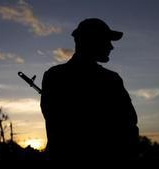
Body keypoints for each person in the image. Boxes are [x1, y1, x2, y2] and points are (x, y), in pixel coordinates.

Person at [40, 18, 139, 161]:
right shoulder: (111, 80)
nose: (111, 47)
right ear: (92, 41)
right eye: (107, 40)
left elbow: (129, 126)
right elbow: (129, 127)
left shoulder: (54, 76)